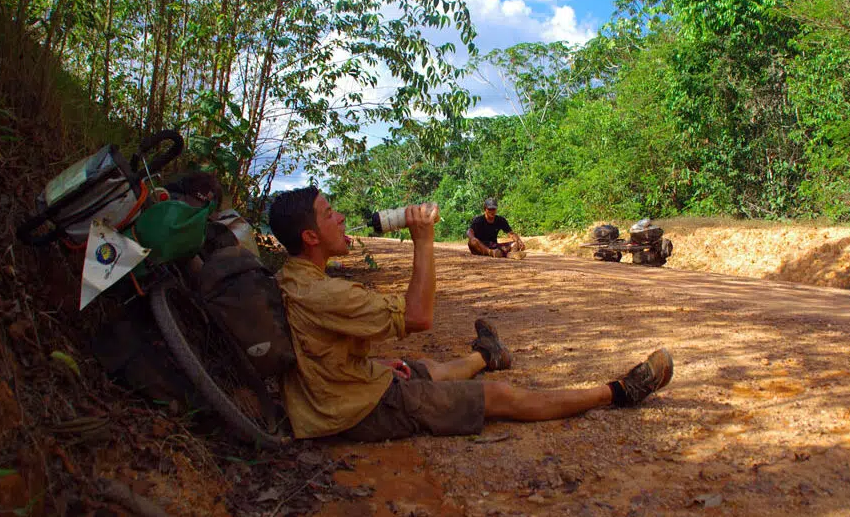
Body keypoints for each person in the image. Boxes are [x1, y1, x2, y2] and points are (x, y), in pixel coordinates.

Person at [268, 186, 674, 442]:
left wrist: (368, 366)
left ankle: (487, 355)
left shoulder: (295, 278)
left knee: (423, 368)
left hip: (331, 392)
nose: (340, 217)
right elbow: (419, 317)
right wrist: (423, 241)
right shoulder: (324, 293)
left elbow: (318, 350)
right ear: (310, 236)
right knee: (499, 397)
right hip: (351, 409)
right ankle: (619, 391)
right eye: (328, 214)